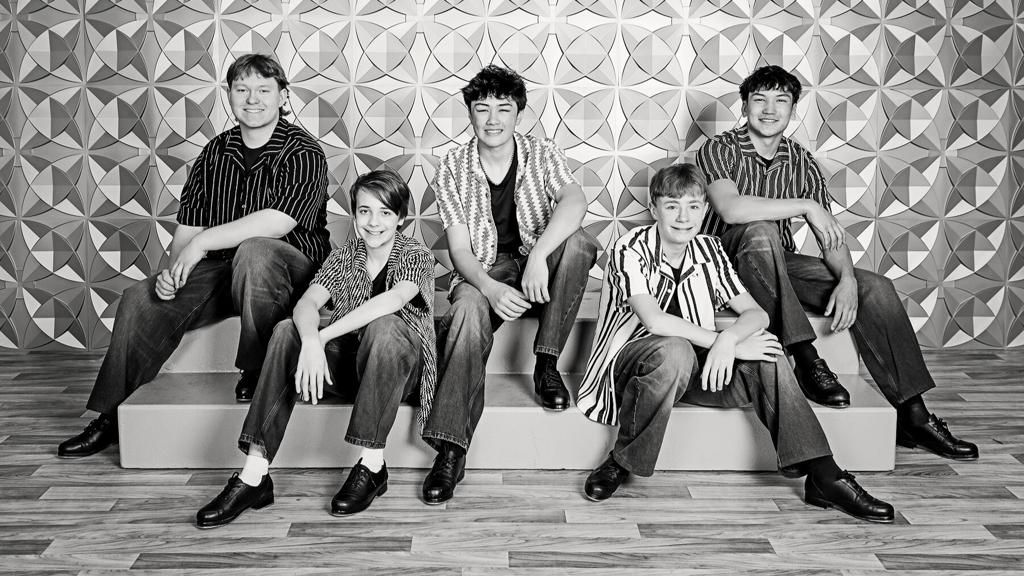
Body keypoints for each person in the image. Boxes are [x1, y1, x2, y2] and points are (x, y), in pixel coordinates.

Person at [576, 163, 894, 523]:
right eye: (672, 206)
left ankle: (825, 475)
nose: (683, 217)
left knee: (767, 350)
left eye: (693, 206)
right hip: (632, 367)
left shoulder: (710, 250)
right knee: (675, 350)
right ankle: (621, 461)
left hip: (696, 369)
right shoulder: (630, 247)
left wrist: (728, 340)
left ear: (704, 210)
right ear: (654, 209)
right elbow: (655, 321)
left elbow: (756, 314)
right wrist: (722, 341)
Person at [695, 65, 977, 461]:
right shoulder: (719, 148)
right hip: (719, 265)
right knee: (759, 230)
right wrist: (806, 205)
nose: (770, 109)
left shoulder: (802, 161)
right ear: (744, 106)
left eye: (781, 100)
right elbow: (731, 208)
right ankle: (807, 359)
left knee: (875, 287)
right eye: (760, 99)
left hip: (776, 264)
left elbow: (830, 235)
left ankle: (913, 415)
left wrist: (846, 279)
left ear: (793, 109)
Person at [57, 53, 330, 459]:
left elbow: (278, 222)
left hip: (290, 271)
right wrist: (174, 271)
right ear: (229, 96)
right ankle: (111, 416)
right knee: (140, 298)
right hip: (224, 270)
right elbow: (189, 226)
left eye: (263, 90)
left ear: (283, 97)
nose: (252, 99)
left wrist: (202, 244)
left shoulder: (303, 151)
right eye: (241, 89)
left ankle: (255, 369)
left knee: (255, 251)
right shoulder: (215, 152)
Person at [195, 170, 436, 528]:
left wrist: (323, 337)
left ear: (400, 218)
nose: (374, 222)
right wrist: (309, 339)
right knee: (286, 331)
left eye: (385, 212)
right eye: (365, 211)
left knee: (384, 327)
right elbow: (307, 303)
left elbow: (392, 301)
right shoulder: (344, 257)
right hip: (355, 369)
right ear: (354, 215)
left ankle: (372, 465)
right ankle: (254, 475)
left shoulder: (416, 254)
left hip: (402, 372)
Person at [421, 65, 599, 504]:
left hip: (541, 267)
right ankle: (451, 448)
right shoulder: (451, 168)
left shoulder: (541, 152)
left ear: (519, 113)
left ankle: (546, 363)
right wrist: (489, 287)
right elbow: (459, 248)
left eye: (503, 108)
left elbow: (575, 200)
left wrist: (538, 255)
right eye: (482, 108)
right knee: (465, 308)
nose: (493, 119)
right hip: (487, 269)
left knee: (579, 244)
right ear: (469, 113)